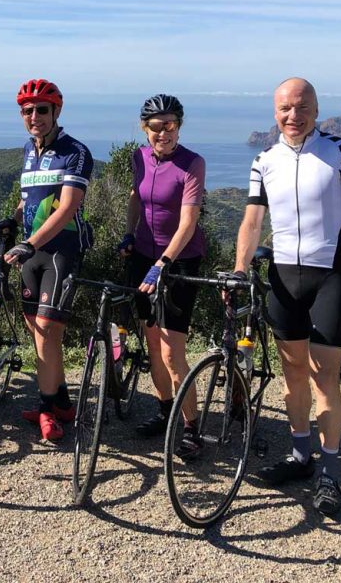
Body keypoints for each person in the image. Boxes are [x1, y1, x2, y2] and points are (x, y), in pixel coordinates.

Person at [234, 77, 341, 516]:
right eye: (284, 109)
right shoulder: (264, 159)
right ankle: (300, 456)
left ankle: (330, 472)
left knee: (323, 376)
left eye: (302, 106)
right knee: (293, 372)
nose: (293, 116)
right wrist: (239, 270)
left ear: (316, 108)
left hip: (330, 277)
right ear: (274, 112)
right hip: (283, 277)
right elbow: (253, 221)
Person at [0, 79, 93, 443]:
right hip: (31, 251)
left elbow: (68, 206)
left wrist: (29, 242)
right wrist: (14, 217)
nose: (34, 116)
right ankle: (63, 403)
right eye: (27, 110)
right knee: (37, 331)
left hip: (62, 251)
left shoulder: (75, 151)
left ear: (57, 111)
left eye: (41, 109)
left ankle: (46, 409)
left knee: (46, 330)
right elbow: (33, 197)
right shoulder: (28, 149)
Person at [118, 95, 207, 441]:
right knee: (152, 342)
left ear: (179, 127)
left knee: (172, 352)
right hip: (143, 256)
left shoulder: (192, 164)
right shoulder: (137, 158)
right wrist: (129, 233)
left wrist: (163, 263)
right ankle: (165, 412)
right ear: (145, 129)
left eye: (170, 125)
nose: (163, 132)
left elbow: (188, 223)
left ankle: (190, 427)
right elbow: (135, 198)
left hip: (180, 260)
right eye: (156, 126)